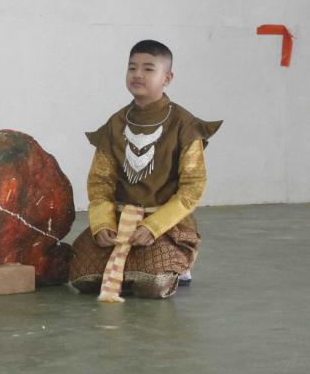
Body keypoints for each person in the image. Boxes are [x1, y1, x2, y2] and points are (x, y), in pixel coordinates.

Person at [68, 40, 222, 300]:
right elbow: (100, 182)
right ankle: (132, 268)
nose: (137, 74)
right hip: (120, 220)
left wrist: (153, 227)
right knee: (84, 279)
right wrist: (103, 223)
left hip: (164, 224)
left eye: (148, 69)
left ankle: (179, 265)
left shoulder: (184, 125)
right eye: (132, 68)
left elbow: (192, 188)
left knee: (153, 284)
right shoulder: (116, 123)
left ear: (167, 78)